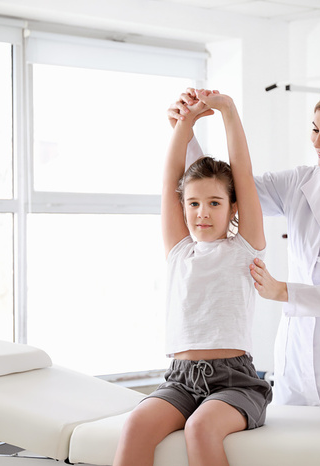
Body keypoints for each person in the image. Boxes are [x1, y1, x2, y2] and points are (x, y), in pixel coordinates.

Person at [169, 86, 320, 409]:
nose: (317, 142)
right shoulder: (298, 183)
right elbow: (228, 189)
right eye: (315, 129)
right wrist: (185, 134)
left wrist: (282, 291)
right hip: (297, 358)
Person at [113, 91, 272, 466]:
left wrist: (228, 111)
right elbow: (170, 178)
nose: (203, 213)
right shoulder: (179, 250)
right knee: (136, 424)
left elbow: (243, 174)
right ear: (182, 205)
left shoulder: (245, 247)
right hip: (180, 380)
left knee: (200, 428)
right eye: (194, 203)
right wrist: (185, 123)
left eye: (215, 203)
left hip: (234, 382)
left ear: (232, 206)